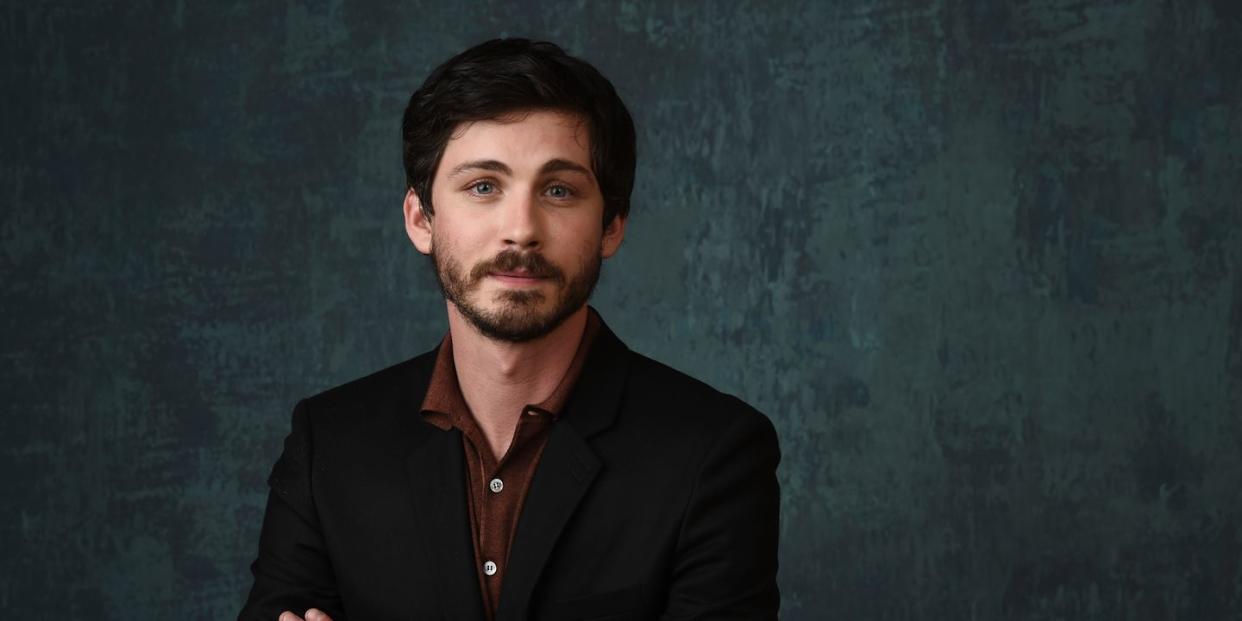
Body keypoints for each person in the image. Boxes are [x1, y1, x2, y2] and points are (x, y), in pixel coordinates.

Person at [238, 38, 781, 621]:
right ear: (421, 219)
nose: (520, 230)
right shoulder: (330, 445)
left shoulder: (714, 453)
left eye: (559, 190)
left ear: (612, 226)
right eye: (483, 187)